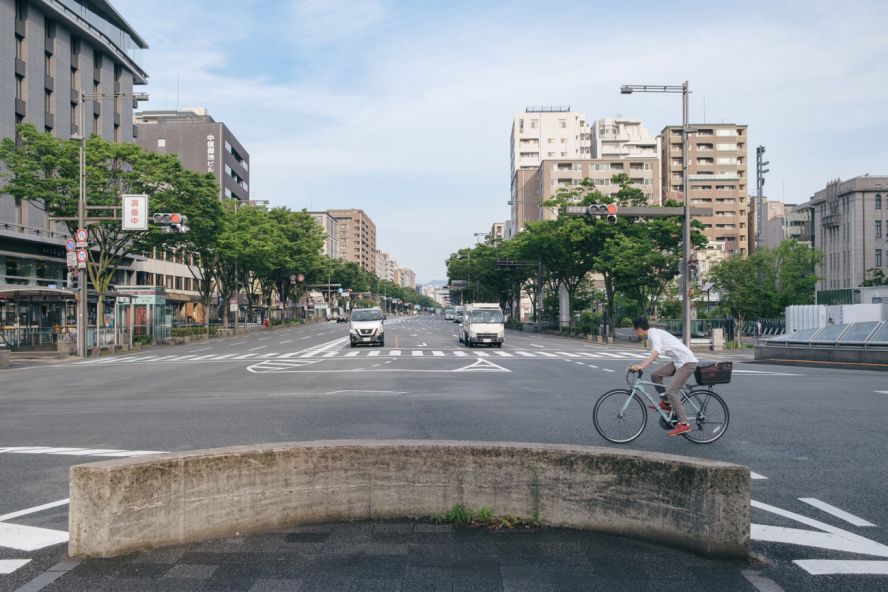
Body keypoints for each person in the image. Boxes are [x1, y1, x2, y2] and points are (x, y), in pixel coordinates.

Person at [628, 317, 698, 437]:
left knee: (671, 391)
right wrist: (639, 365)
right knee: (655, 375)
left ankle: (684, 424)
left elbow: (656, 352)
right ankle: (666, 403)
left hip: (687, 363)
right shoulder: (653, 334)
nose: (634, 332)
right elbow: (655, 352)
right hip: (679, 362)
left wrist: (641, 366)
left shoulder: (654, 334)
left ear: (639, 328)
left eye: (634, 329)